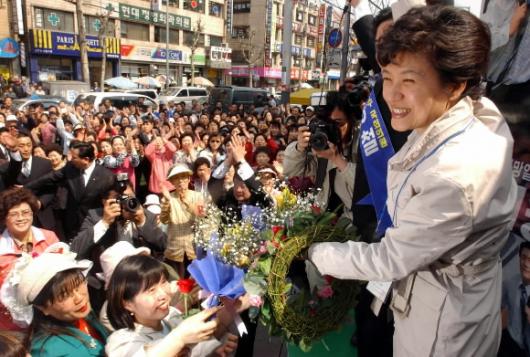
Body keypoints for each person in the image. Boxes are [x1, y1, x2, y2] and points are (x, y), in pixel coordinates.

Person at [308, 6, 518, 356]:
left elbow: (390, 260)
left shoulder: (453, 174)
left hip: (442, 331)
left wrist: (319, 253)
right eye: (388, 78)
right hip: (450, 299)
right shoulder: (471, 114)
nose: (391, 95)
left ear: (455, 85)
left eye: (409, 81)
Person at [105, 254, 242, 357]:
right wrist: (179, 337)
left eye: (163, 282)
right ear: (127, 304)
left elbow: (197, 349)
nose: (163, 294)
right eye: (151, 290)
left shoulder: (172, 318)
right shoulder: (121, 341)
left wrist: (215, 348)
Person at [71, 178, 167, 310]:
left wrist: (142, 222)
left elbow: (164, 245)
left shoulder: (143, 214)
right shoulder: (95, 217)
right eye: (119, 199)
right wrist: (104, 223)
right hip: (107, 287)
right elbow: (76, 249)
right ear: (104, 201)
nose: (125, 203)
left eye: (129, 197)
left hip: (143, 284)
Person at [1, 247, 108, 356]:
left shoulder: (84, 315)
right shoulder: (49, 351)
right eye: (64, 295)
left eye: (79, 285)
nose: (79, 298)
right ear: (42, 307)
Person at [25, 141, 115, 241]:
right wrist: (26, 188)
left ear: (86, 159)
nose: (71, 160)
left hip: (94, 225)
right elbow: (50, 178)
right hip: (72, 224)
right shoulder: (70, 168)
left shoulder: (107, 177)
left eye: (74, 157)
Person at [0, 187, 60, 331]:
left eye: (26, 212)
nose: (21, 218)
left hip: (50, 315)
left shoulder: (49, 237)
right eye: (14, 214)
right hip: (12, 322)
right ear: (4, 218)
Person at [0, 133, 55, 231]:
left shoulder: (44, 164)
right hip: (19, 220)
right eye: (21, 146)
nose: (26, 149)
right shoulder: (6, 168)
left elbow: (51, 189)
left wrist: (40, 202)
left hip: (42, 216)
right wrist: (14, 151)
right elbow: (12, 172)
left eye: (29, 145)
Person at [160, 163, 205, 279]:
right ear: (172, 182)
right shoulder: (169, 197)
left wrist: (187, 203)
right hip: (175, 248)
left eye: (183, 177)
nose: (180, 181)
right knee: (177, 281)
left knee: (196, 282)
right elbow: (163, 220)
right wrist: (166, 201)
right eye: (176, 178)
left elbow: (202, 216)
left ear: (189, 179)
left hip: (193, 247)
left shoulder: (198, 196)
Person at [500, 241, 530, 356]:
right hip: (511, 342)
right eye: (523, 257)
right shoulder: (510, 283)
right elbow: (500, 307)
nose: (526, 264)